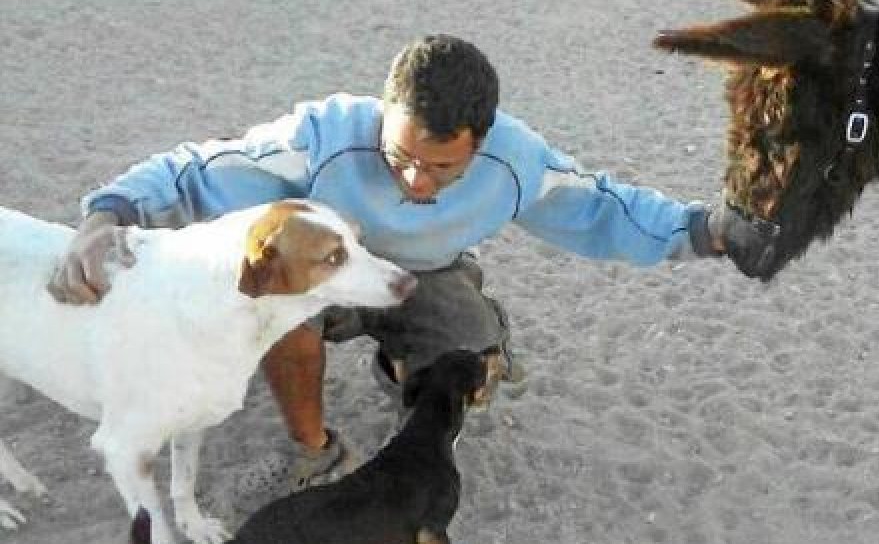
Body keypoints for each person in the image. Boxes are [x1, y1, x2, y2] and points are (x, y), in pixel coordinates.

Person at [47, 34, 775, 490]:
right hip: (329, 274)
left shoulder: (519, 160)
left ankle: (458, 334)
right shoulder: (323, 134)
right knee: (277, 314)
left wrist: (705, 230)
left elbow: (603, 207)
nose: (415, 180)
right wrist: (104, 214)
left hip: (426, 274)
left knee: (470, 365)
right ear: (382, 113)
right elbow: (197, 169)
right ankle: (313, 449)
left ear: (482, 143)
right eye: (401, 156)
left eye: (441, 166)